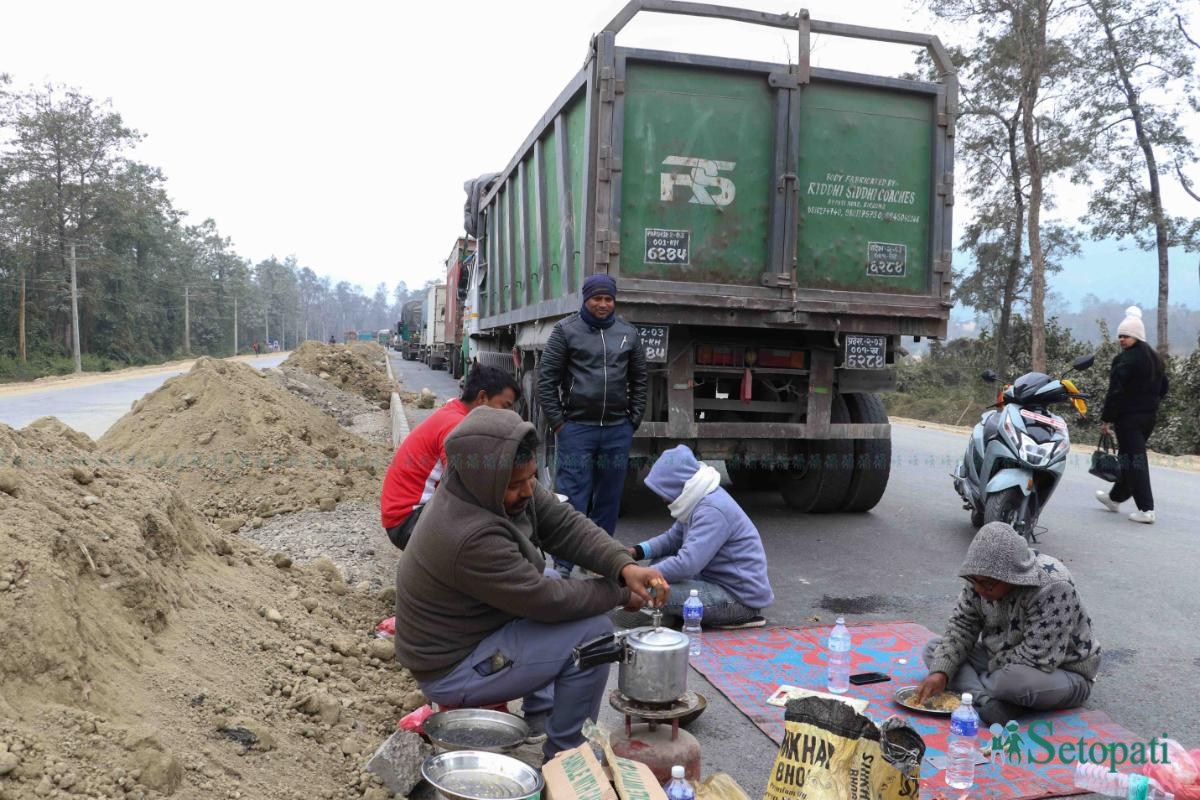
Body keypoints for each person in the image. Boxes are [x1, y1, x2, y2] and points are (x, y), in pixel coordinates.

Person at [393, 407, 668, 759]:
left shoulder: (495, 485)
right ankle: (566, 756)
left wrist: (623, 566)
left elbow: (564, 525)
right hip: (452, 670)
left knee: (553, 577)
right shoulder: (467, 535)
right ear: (489, 481)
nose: (528, 490)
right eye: (516, 485)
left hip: (474, 634)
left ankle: (542, 720)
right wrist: (619, 593)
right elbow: (545, 601)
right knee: (595, 634)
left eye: (532, 478)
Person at [917, 522, 1101, 725]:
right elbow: (961, 627)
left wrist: (967, 671)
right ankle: (988, 702)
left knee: (1010, 682)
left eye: (986, 584)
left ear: (1012, 577)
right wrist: (941, 672)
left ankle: (985, 693)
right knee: (935, 651)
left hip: (1060, 671)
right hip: (1000, 658)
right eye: (974, 581)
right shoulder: (979, 579)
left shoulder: (1053, 587)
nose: (978, 589)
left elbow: (1039, 657)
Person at [537, 274, 647, 577]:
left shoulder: (628, 333)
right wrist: (560, 424)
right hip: (577, 429)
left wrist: (631, 420)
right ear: (585, 299)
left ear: (614, 301)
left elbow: (640, 380)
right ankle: (563, 564)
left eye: (608, 299)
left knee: (610, 497)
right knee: (572, 498)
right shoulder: (566, 331)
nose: (602, 304)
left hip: (616, 430)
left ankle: (599, 560)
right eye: (596, 298)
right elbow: (546, 381)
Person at [623, 445, 773, 629]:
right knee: (657, 564)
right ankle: (675, 610)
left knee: (654, 588)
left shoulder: (712, 510)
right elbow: (672, 539)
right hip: (713, 581)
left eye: (664, 493)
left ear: (679, 486)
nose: (663, 499)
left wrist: (640, 579)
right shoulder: (696, 498)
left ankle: (739, 618)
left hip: (739, 599)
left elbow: (687, 564)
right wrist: (635, 552)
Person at [380, 365, 519, 549]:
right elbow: (464, 487)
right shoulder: (458, 426)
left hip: (403, 515)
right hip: (408, 521)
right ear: (482, 398)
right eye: (505, 406)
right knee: (487, 535)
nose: (509, 415)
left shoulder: (456, 411)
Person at [1095, 306, 1169, 525]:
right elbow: (1164, 387)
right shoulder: (1155, 359)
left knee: (1136, 461)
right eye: (1120, 336)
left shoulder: (1125, 360)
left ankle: (1146, 509)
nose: (1122, 340)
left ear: (1136, 335)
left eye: (1125, 336)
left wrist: (1107, 419)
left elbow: (1115, 392)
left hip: (1128, 419)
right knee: (1128, 458)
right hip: (1148, 418)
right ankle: (1115, 498)